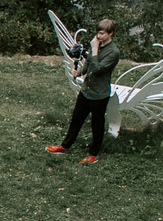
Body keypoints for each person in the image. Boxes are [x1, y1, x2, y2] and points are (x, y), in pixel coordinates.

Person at [50, 18, 120, 161]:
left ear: (110, 33)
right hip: (86, 90)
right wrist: (80, 72)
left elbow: (98, 69)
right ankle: (65, 145)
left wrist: (94, 50)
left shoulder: (113, 52)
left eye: (102, 33)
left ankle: (93, 154)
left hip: (99, 94)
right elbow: (89, 62)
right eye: (98, 33)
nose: (98, 36)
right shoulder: (98, 45)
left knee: (97, 124)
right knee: (76, 119)